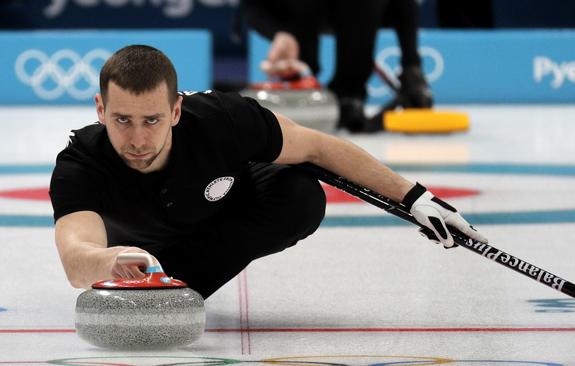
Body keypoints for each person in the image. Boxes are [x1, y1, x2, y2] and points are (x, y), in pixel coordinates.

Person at [49, 45, 486, 300]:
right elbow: (77, 259)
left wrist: (414, 197)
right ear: (100, 109)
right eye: (122, 120)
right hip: (143, 248)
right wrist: (112, 261)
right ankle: (166, 277)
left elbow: (317, 146)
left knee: (301, 194)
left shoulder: (222, 118)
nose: (138, 139)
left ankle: (182, 285)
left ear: (176, 110)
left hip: (223, 214)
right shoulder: (81, 164)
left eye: (152, 120)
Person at [242, 0, 433, 133]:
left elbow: (405, 5)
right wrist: (280, 34)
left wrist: (411, 65)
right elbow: (250, 7)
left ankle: (349, 95)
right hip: (296, 24)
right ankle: (301, 79)